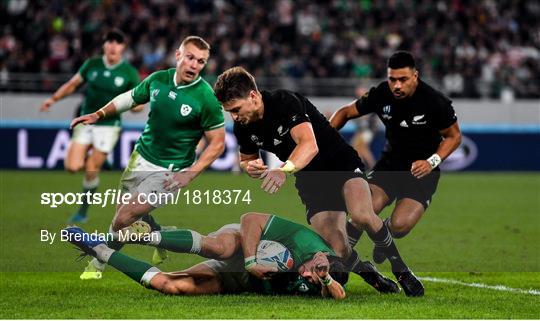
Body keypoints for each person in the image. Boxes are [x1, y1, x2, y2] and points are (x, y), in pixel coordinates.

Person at [213, 67, 423, 296]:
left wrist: (284, 170)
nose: (234, 116)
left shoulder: (285, 102)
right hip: (310, 181)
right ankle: (368, 272)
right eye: (229, 112)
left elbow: (308, 145)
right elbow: (246, 159)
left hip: (340, 164)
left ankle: (401, 269)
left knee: (362, 215)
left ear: (253, 96)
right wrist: (249, 167)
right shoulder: (243, 126)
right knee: (338, 251)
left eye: (235, 109)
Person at [70, 36, 225, 280]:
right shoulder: (158, 79)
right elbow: (129, 98)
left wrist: (189, 174)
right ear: (178, 55)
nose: (195, 65)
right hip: (140, 158)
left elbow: (218, 143)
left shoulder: (206, 98)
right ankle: (160, 233)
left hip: (169, 172)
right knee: (123, 219)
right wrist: (98, 114)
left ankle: (97, 262)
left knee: (123, 218)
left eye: (201, 61)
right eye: (191, 57)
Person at [329, 51, 462, 260]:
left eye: (403, 80)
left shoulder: (435, 102)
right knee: (362, 211)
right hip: (390, 165)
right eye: (392, 80)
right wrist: (325, 139)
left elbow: (454, 137)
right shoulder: (381, 94)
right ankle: (338, 260)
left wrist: (431, 162)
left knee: (401, 226)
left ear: (415, 76)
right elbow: (345, 112)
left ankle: (386, 236)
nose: (397, 85)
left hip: (422, 172)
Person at [63, 212, 348, 299]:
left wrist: (323, 280)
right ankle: (135, 235)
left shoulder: (320, 280)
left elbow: (337, 295)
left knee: (170, 285)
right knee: (220, 247)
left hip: (237, 279)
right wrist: (251, 260)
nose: (308, 276)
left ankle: (97, 248)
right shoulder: (304, 240)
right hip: (242, 245)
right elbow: (251, 219)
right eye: (314, 269)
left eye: (314, 278)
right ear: (319, 256)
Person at [40, 29, 142, 224]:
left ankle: (82, 212)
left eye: (117, 43)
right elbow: (72, 84)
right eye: (109, 41)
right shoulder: (92, 65)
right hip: (85, 121)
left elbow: (137, 101)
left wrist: (137, 108)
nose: (113, 46)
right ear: (104, 45)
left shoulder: (129, 72)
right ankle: (98, 156)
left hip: (109, 126)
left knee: (91, 168)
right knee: (72, 167)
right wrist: (52, 99)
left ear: (123, 48)